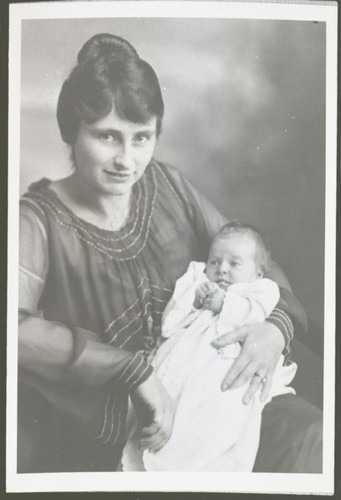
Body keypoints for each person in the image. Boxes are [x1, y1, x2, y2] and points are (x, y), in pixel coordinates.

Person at [18, 33, 322, 473]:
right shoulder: (37, 219)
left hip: (224, 401)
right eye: (107, 136)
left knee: (314, 441)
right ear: (71, 130)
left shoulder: (166, 185)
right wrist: (132, 371)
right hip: (127, 430)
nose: (127, 160)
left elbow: (256, 260)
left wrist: (276, 327)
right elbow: (13, 329)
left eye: (142, 138)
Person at [122, 222, 297, 471]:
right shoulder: (197, 281)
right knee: (167, 391)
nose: (222, 270)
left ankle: (186, 463)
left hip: (224, 364)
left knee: (211, 415)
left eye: (234, 264)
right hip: (186, 359)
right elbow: (170, 325)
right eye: (214, 262)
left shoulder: (260, 289)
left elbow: (257, 316)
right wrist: (194, 302)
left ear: (257, 273)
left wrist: (225, 304)